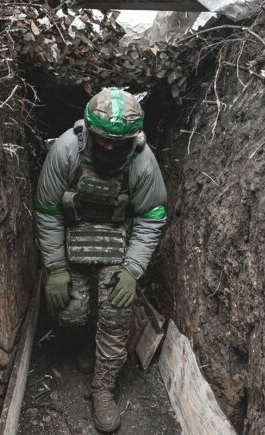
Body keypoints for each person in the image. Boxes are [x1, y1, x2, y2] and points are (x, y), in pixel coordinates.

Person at [34, 88, 167, 432]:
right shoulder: (66, 150)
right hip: (74, 236)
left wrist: (132, 270)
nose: (109, 147)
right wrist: (56, 268)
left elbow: (152, 217)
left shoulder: (142, 161)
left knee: (116, 312)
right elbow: (48, 210)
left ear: (132, 138)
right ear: (89, 130)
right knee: (70, 312)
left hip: (117, 239)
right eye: (103, 139)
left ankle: (103, 387)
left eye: (118, 142)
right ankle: (82, 340)